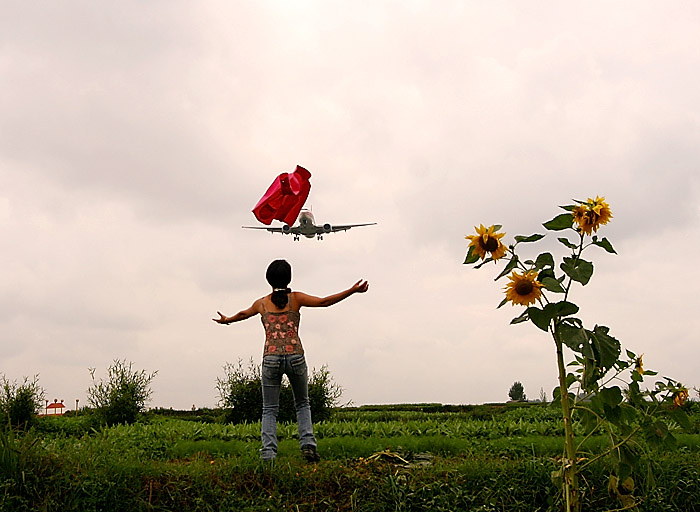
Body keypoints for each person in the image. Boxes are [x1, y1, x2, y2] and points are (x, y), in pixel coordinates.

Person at [213, 259, 369, 462]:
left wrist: (228, 320)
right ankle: (308, 447)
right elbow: (324, 302)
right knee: (302, 404)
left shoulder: (261, 303)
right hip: (295, 356)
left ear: (268, 279)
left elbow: (244, 314)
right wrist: (351, 291)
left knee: (269, 409)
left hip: (270, 359)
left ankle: (268, 454)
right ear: (289, 278)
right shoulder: (296, 299)